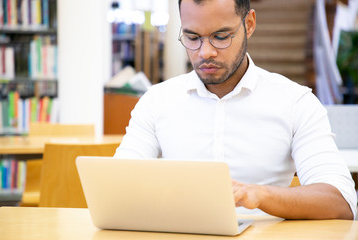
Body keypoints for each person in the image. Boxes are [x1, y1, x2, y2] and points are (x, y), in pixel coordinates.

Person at [114, 0, 357, 220]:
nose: (204, 52)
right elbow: (116, 186)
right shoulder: (156, 101)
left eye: (221, 37)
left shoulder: (296, 102)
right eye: (192, 37)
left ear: (249, 24)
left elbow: (341, 202)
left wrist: (261, 196)